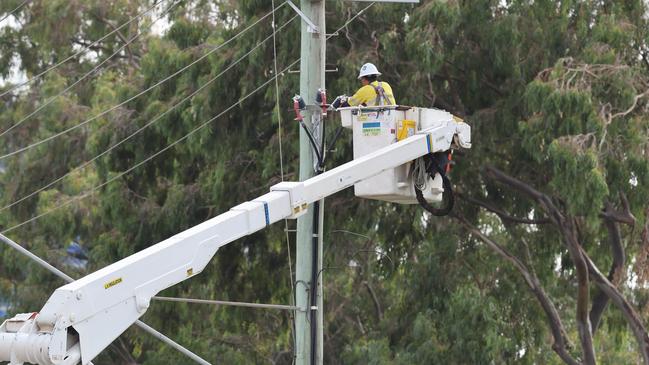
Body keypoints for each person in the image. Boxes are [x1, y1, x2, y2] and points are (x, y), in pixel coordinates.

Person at [332, 63, 396, 108]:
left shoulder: (365, 90)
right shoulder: (386, 85)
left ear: (364, 79)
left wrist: (341, 101)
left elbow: (348, 105)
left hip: (377, 120)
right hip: (392, 116)